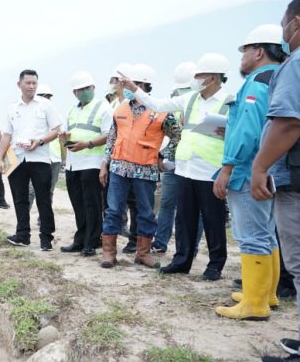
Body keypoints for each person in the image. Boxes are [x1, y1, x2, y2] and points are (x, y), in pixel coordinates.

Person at [127, 53, 234, 281]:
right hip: (185, 168)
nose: (195, 79)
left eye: (200, 75)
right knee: (184, 218)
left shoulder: (230, 101)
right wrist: (135, 89)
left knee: (213, 219)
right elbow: (156, 104)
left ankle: (215, 265)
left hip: (210, 170)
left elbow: (240, 132)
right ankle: (181, 260)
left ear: (213, 77)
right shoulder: (191, 99)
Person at [212, 24, 286, 321]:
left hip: (248, 170)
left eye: (244, 51)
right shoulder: (280, 79)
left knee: (252, 236)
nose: (241, 58)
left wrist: (227, 167)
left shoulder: (256, 83)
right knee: (267, 234)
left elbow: (248, 131)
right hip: (271, 169)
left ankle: (255, 304)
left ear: (258, 51)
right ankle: (266, 294)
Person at [99, 64, 181, 269]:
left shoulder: (161, 110)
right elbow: (111, 138)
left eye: (127, 83)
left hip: (146, 168)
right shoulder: (121, 108)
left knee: (145, 212)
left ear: (141, 84)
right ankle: (109, 253)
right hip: (119, 168)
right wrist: (104, 164)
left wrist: (165, 157)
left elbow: (177, 136)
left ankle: (142, 253)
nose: (123, 87)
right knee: (113, 211)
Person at [255, 0, 300, 362]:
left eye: (284, 23)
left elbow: (287, 123)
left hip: (297, 182)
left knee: (298, 261)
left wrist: (260, 167)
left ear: (296, 22)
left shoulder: (296, 64)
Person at [0, 69, 63, 251]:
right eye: (28, 83)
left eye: (34, 83)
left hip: (40, 159)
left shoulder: (45, 105)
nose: (31, 86)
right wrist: (0, 158)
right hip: (17, 158)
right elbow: (6, 135)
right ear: (19, 85)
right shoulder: (12, 109)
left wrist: (40, 141)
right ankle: (23, 235)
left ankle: (46, 238)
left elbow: (56, 129)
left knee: (43, 198)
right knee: (20, 198)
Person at [151, 61, 205, 254]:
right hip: (173, 162)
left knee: (194, 209)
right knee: (167, 203)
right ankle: (160, 243)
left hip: (196, 163)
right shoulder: (172, 103)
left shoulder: (203, 105)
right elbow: (162, 133)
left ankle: (192, 247)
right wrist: (160, 155)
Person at [59, 71, 112, 256]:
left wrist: (87, 144)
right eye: (79, 90)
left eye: (86, 88)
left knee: (92, 204)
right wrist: (64, 139)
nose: (82, 92)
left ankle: (92, 241)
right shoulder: (71, 110)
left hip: (92, 162)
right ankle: (80, 239)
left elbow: (109, 135)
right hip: (73, 164)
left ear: (93, 88)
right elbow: (66, 133)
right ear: (74, 93)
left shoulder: (104, 107)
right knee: (78, 204)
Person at [107, 62, 139, 254]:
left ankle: (135, 240)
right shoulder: (112, 104)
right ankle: (117, 232)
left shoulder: (138, 102)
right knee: (114, 202)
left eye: (118, 81)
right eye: (114, 81)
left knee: (135, 203)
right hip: (116, 159)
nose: (115, 84)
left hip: (135, 160)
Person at [27, 85, 63, 220]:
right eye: (44, 96)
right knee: (31, 190)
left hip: (55, 158)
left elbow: (62, 137)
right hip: (38, 158)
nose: (47, 99)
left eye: (49, 97)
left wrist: (64, 158)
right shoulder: (32, 115)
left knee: (49, 191)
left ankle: (44, 219)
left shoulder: (56, 115)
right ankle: (24, 216)